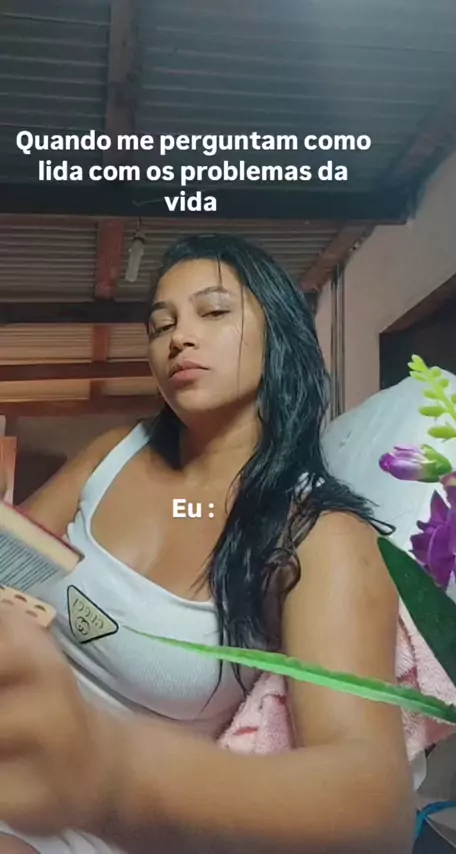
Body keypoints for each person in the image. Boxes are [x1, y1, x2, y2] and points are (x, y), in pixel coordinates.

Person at [0, 234, 415, 854]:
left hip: (104, 825)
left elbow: (376, 810)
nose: (179, 339)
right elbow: (10, 564)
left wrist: (112, 770)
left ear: (279, 332)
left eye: (214, 312)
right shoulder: (114, 452)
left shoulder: (317, 535)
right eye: (161, 325)